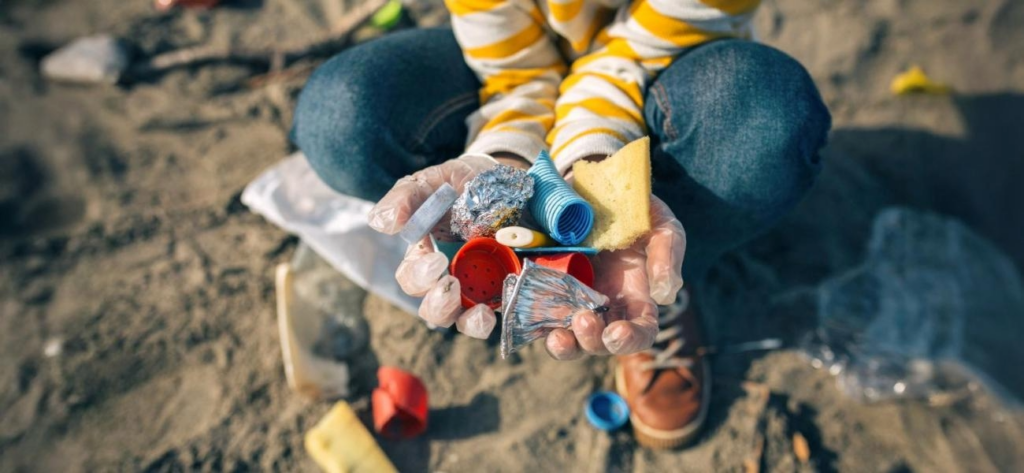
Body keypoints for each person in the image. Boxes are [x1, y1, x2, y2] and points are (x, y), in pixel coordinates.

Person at [292, 0, 830, 449]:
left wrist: (595, 169)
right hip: (525, 62)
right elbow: (516, 74)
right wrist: (502, 158)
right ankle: (614, 260)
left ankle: (667, 275)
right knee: (339, 118)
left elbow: (630, 55)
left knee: (769, 121)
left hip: (671, 60)